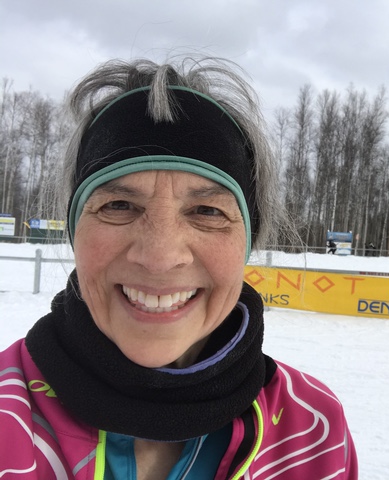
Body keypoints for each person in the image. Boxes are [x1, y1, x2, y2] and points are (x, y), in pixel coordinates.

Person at [0, 57, 357, 479]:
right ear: (76, 230)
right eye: (118, 205)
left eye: (207, 211)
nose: (159, 257)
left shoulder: (314, 429)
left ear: (247, 242)